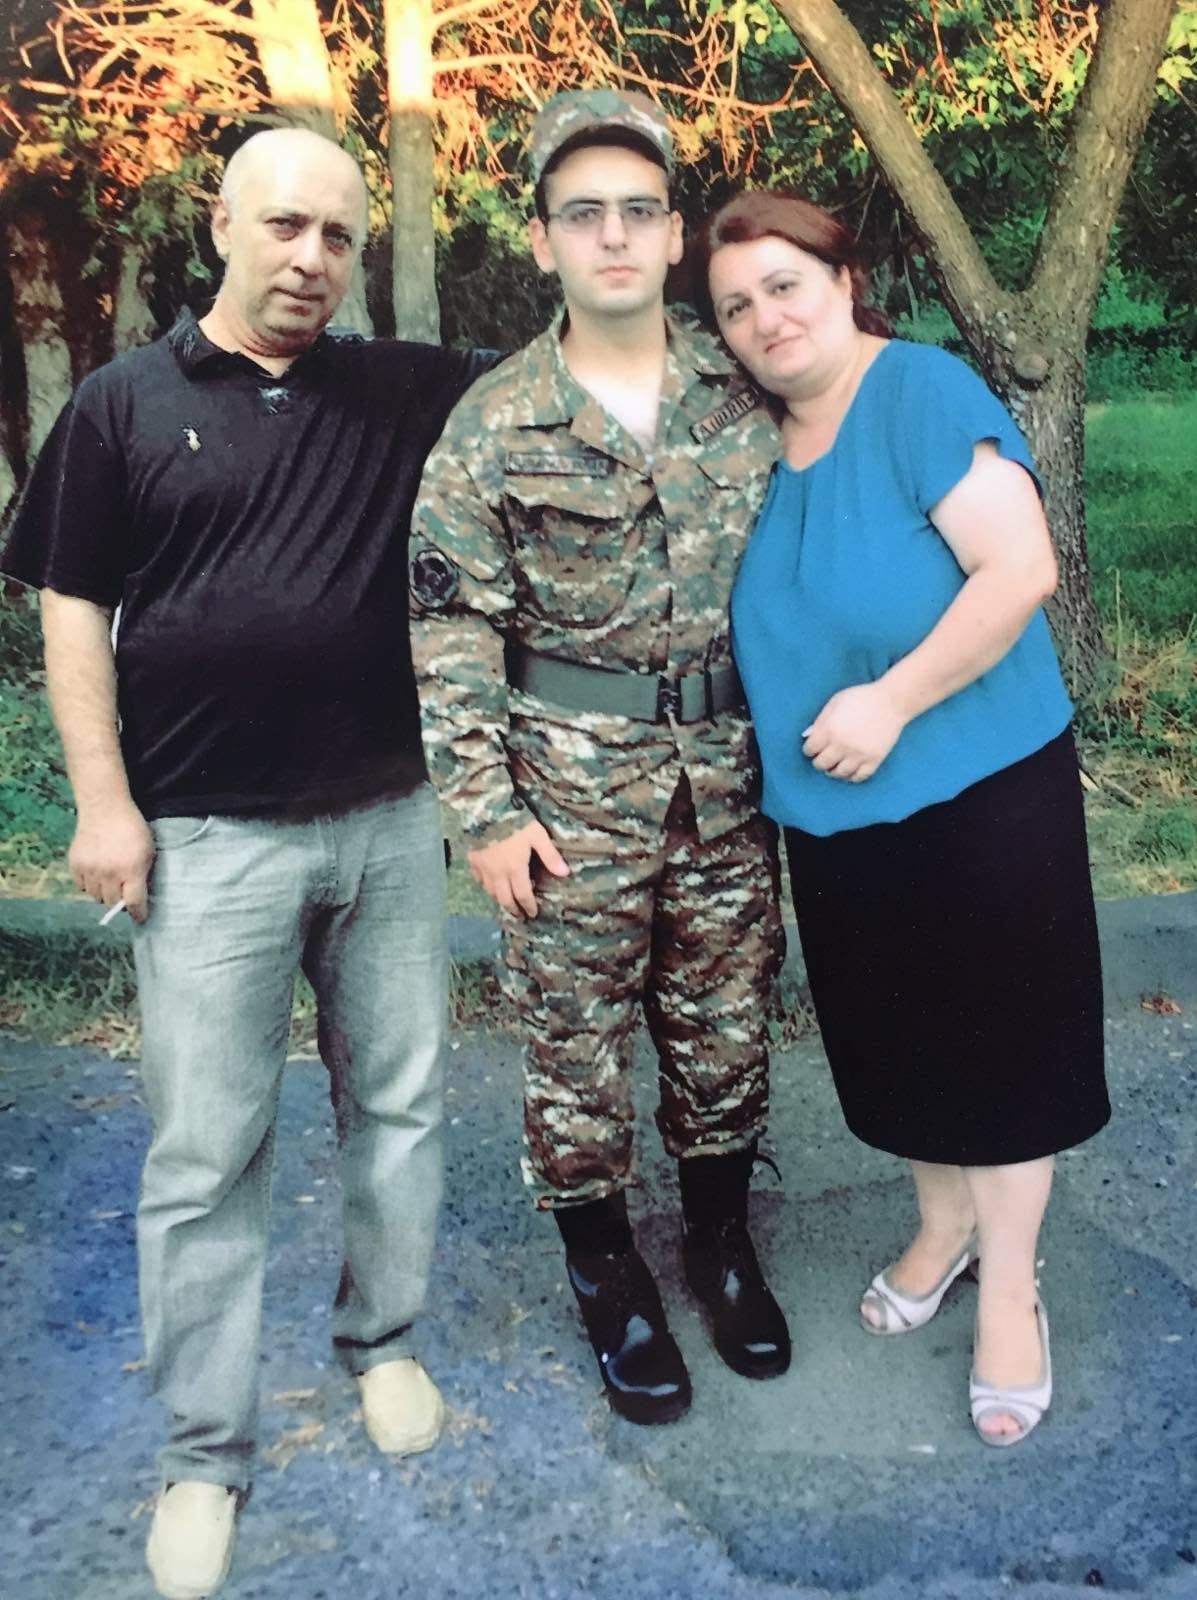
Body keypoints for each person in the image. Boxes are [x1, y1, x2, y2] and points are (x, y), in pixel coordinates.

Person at [0, 128, 496, 1598]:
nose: (311, 259)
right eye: (285, 226)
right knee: (206, 1153)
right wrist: (104, 804)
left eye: (338, 237)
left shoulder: (399, 391)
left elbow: (575, 374)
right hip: (207, 838)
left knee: (398, 1107)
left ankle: (381, 1344)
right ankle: (203, 1455)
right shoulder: (124, 405)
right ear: (221, 224)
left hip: (389, 822)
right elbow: (72, 610)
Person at [689, 190, 1110, 1448]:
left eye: (784, 284)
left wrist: (892, 698)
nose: (765, 317)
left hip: (982, 790)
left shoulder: (917, 391)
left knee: (1004, 1048)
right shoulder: (753, 446)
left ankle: (1013, 1289)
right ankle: (944, 1223)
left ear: (842, 277)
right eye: (735, 306)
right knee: (899, 1041)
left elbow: (1020, 567)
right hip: (834, 812)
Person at [409, 89, 791, 1426]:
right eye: (584, 215)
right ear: (542, 241)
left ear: (678, 234)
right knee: (574, 1048)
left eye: (639, 210)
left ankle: (723, 1243)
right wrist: (484, 812)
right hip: (568, 795)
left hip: (731, 781)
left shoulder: (747, 388)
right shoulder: (495, 424)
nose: (614, 236)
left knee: (726, 1027)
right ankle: (607, 1270)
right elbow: (451, 624)